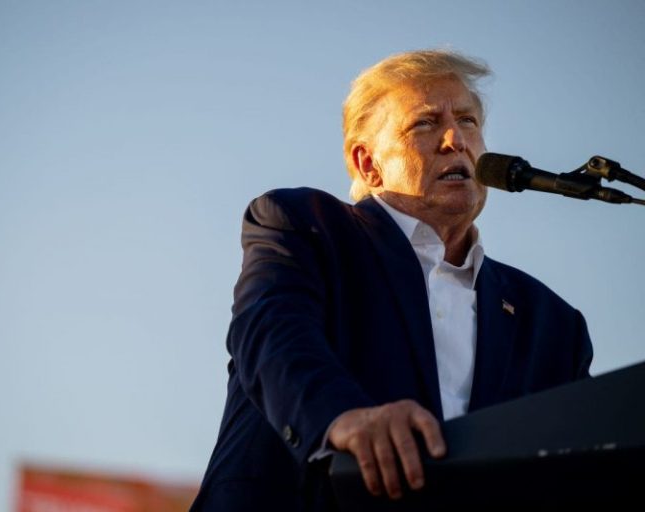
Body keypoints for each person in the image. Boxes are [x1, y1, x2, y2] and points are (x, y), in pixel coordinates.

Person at [190, 49, 593, 511]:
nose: (455, 140)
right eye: (425, 123)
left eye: (467, 121)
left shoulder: (552, 324)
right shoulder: (306, 227)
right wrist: (341, 417)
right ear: (368, 164)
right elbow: (272, 333)